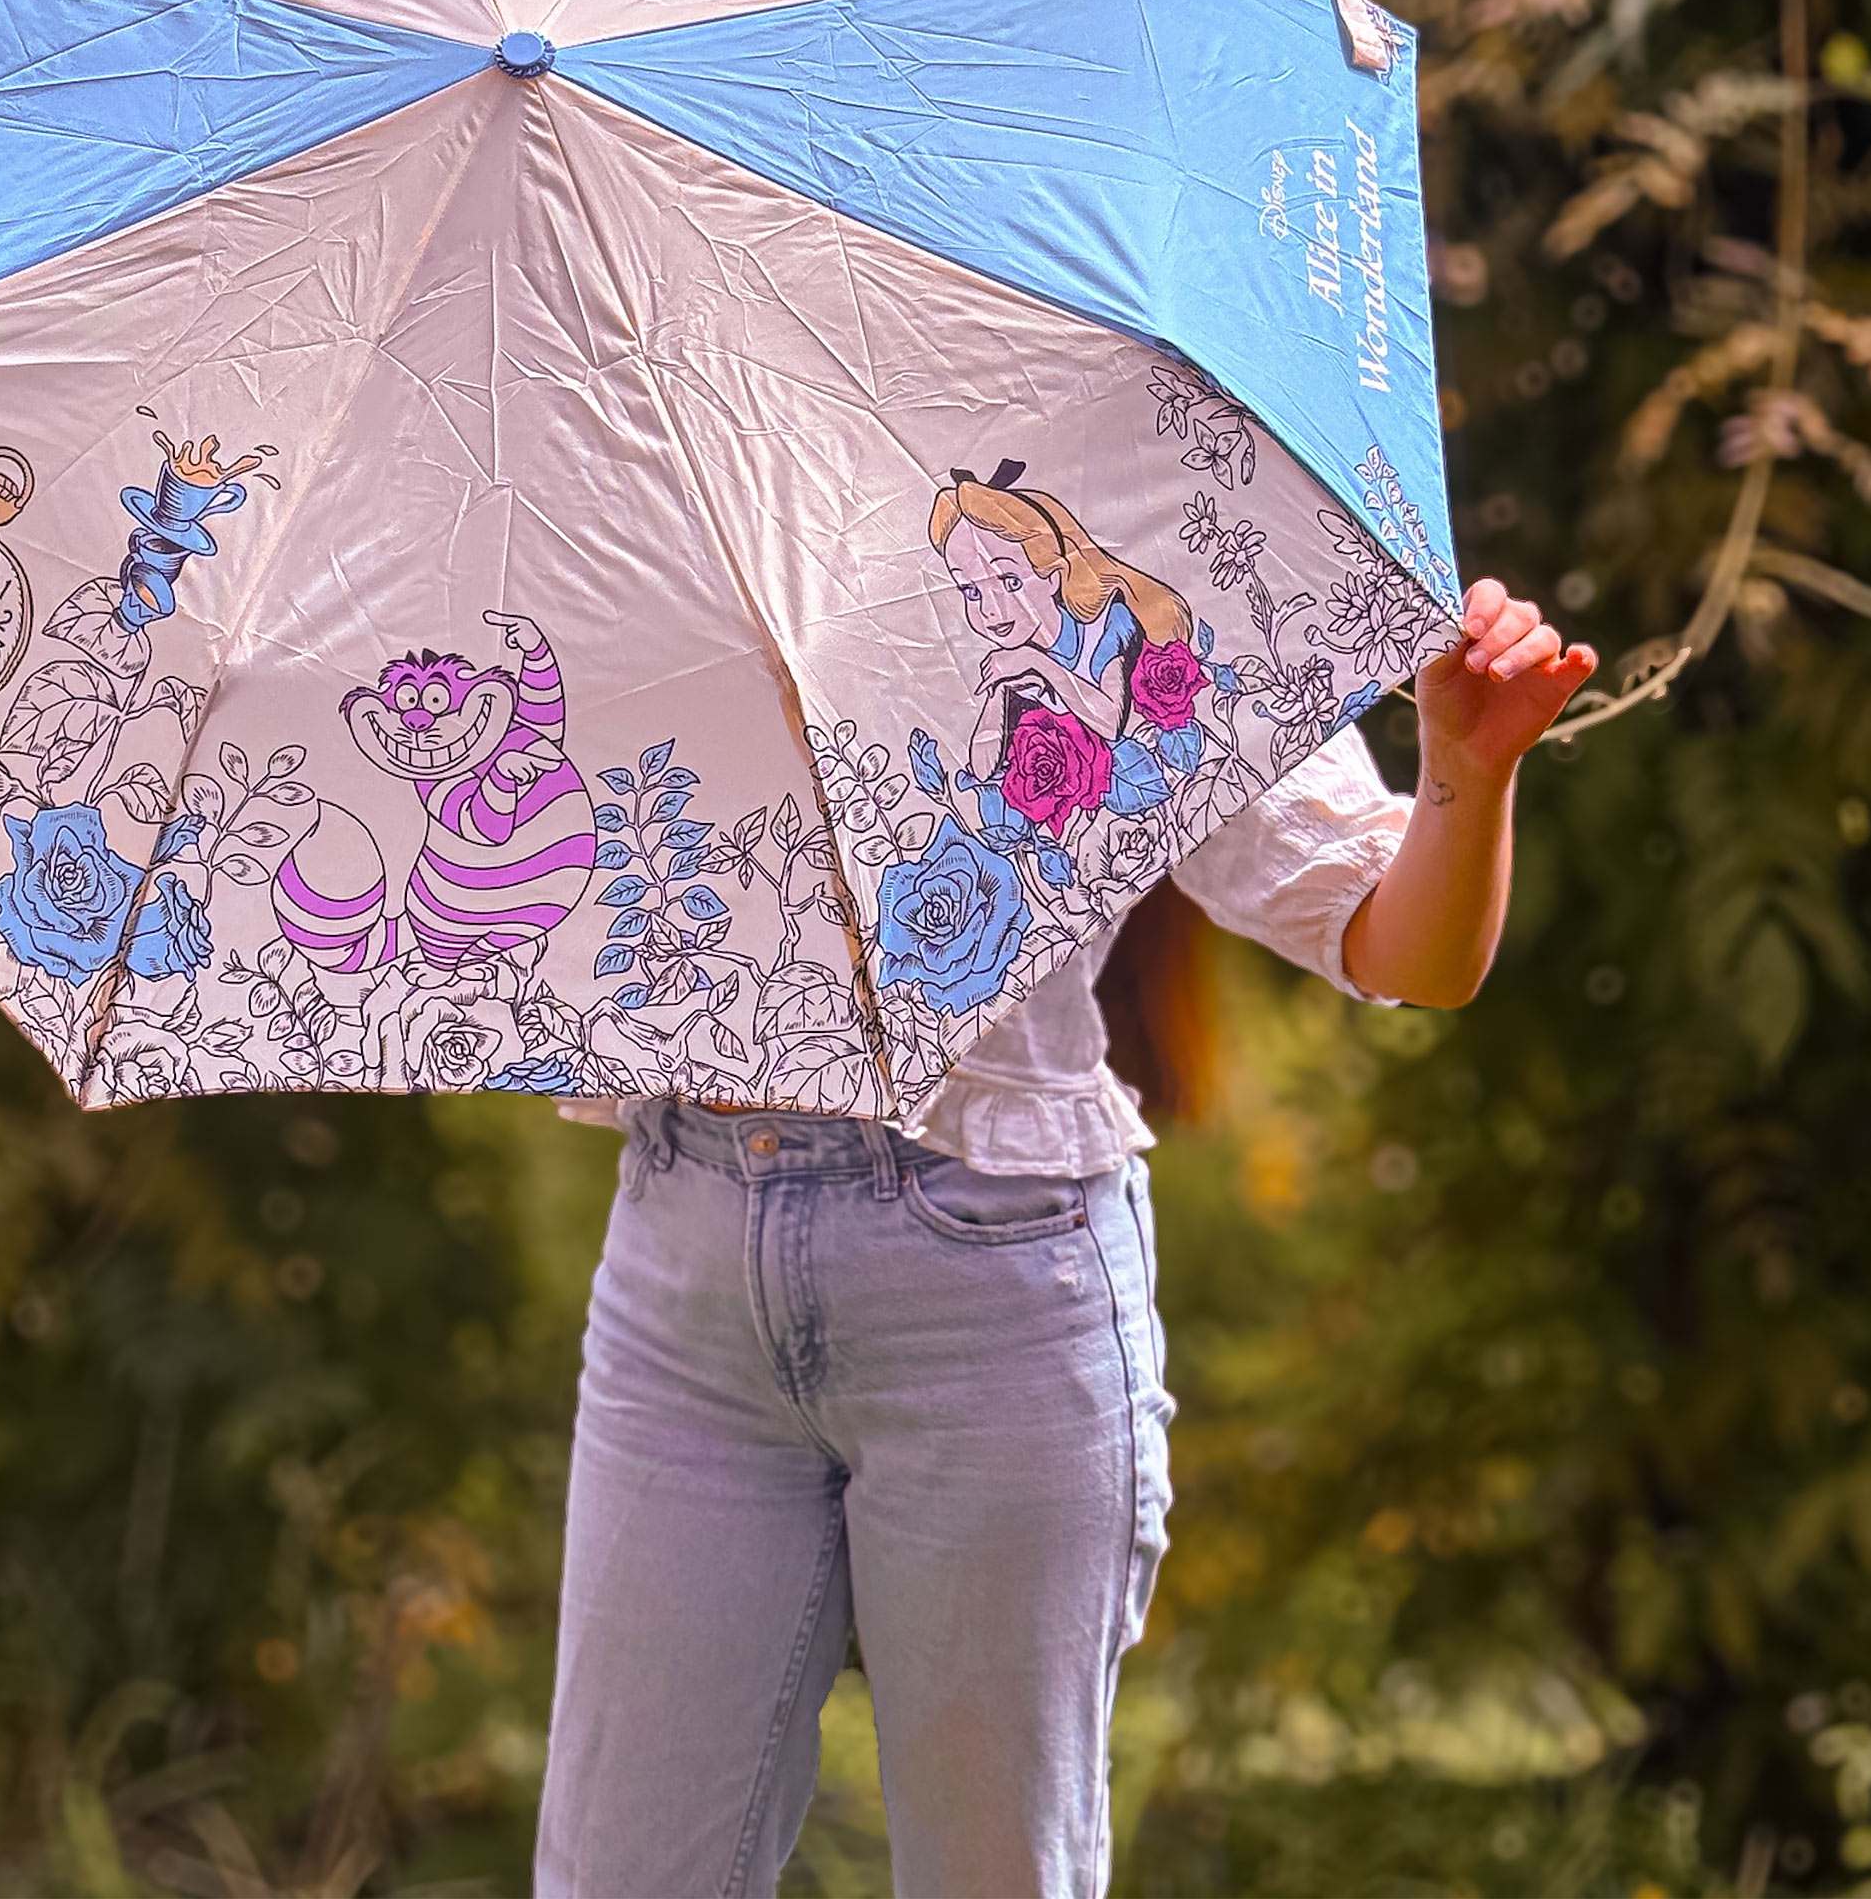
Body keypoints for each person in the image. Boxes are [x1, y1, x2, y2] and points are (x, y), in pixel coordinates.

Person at [533, 501, 1597, 1899]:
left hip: (991, 1279)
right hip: (682, 1264)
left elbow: (1401, 944)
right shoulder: (602, 485)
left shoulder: (1105, 498)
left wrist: (1466, 773)